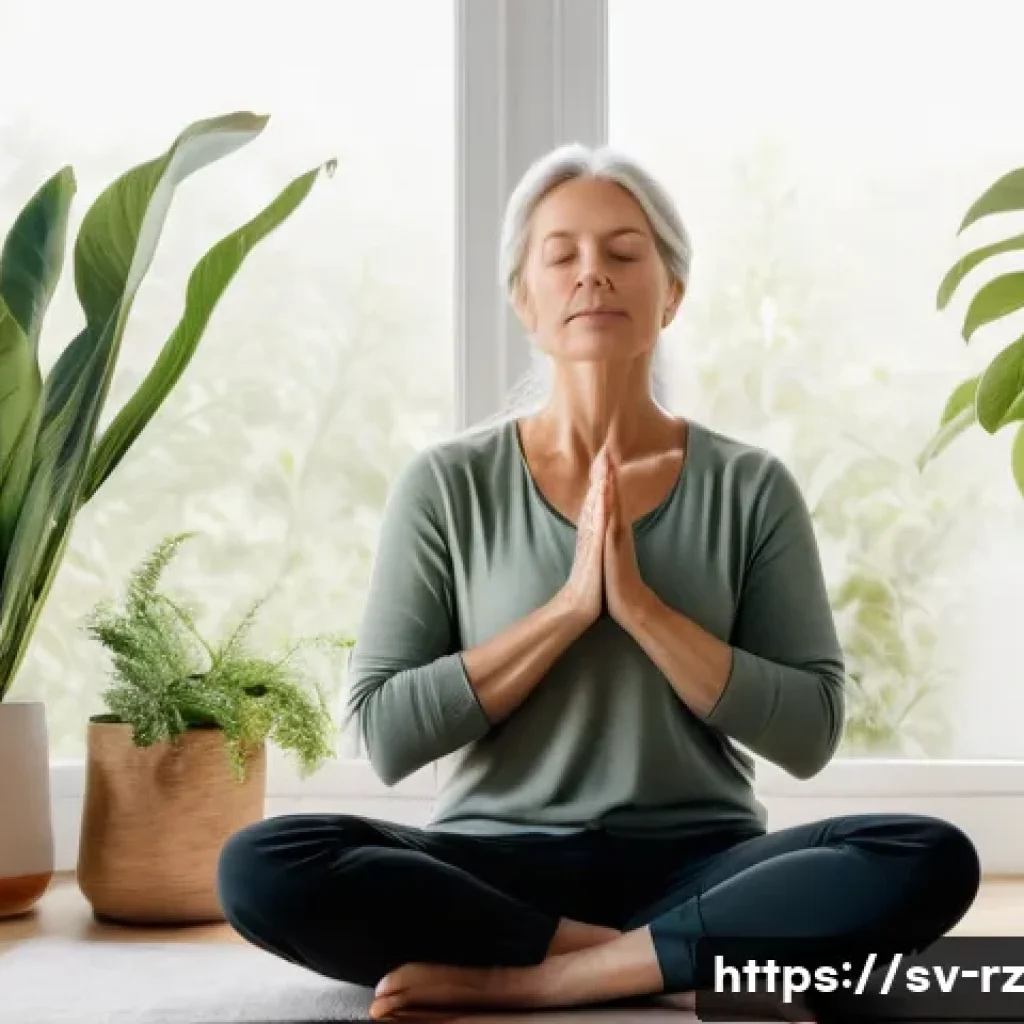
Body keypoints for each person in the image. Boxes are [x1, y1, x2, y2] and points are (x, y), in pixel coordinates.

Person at [216, 143, 981, 1021]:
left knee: (927, 854)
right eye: (562, 256)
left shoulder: (750, 486)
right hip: (490, 867)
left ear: (673, 293)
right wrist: (569, 611)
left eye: (624, 254)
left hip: (704, 862)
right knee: (261, 864)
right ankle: (671, 963)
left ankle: (548, 977)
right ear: (524, 300)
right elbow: (385, 733)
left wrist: (645, 611)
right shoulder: (447, 485)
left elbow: (809, 733)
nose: (593, 276)